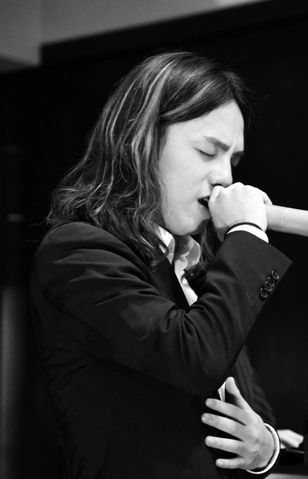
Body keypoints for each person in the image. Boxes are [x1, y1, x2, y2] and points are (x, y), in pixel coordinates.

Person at [30, 51, 293, 478]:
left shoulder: (196, 266)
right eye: (208, 151)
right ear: (143, 140)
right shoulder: (77, 252)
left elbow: (248, 403)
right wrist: (247, 236)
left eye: (233, 161)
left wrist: (266, 447)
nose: (225, 178)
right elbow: (196, 358)